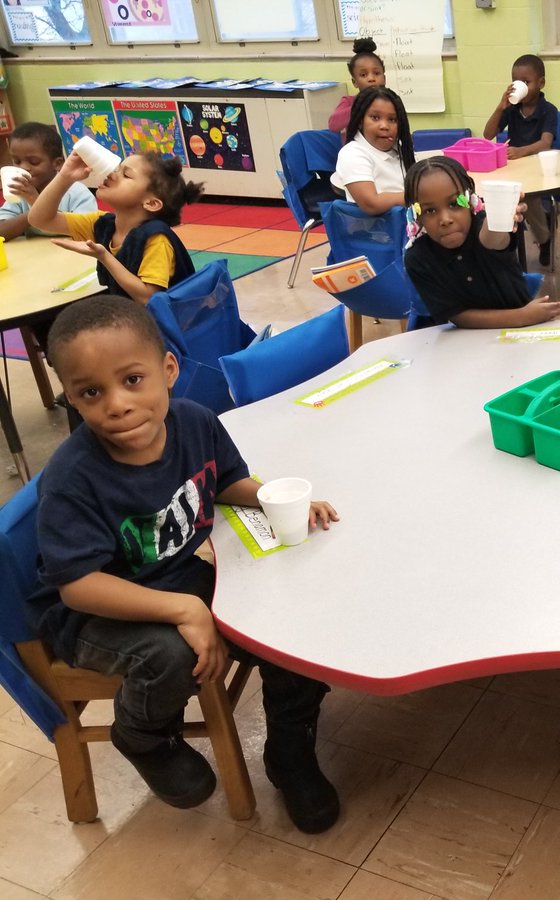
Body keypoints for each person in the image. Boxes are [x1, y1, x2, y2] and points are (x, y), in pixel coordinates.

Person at [28, 295, 342, 834]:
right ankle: (142, 735)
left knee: (288, 628)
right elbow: (78, 588)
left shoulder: (195, 423)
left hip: (176, 582)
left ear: (167, 370)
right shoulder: (72, 479)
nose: (117, 405)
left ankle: (290, 754)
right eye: (90, 392)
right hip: (99, 615)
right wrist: (186, 610)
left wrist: (274, 499)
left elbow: (224, 483)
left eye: (132, 380)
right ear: (72, 400)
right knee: (170, 654)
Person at [403, 156, 560, 328]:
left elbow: (492, 237)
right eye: (430, 210)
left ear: (470, 200)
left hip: (522, 334)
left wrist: (502, 214)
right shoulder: (418, 258)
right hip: (470, 341)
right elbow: (458, 316)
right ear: (416, 216)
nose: (445, 219)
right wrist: (521, 317)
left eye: (454, 204)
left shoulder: (483, 225)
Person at [28, 150, 200, 305]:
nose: (111, 174)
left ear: (151, 203)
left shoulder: (156, 239)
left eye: (126, 175)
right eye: (118, 169)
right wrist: (65, 176)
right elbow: (40, 219)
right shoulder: (102, 223)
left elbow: (149, 299)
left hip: (161, 333)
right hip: (129, 319)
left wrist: (104, 256)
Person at [483, 53, 559, 267]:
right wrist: (501, 107)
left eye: (526, 82)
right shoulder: (513, 109)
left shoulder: (548, 110)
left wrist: (521, 151)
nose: (521, 86)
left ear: (541, 83)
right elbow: (488, 135)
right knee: (502, 195)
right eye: (517, 82)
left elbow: (545, 143)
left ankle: (544, 240)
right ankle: (506, 245)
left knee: (528, 197)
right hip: (514, 168)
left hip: (538, 168)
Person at [0, 121, 97, 240]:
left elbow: (89, 232)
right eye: (17, 161)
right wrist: (31, 214)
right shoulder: (20, 192)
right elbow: (2, 231)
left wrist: (35, 203)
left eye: (34, 162)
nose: (23, 167)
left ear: (58, 163)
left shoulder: (77, 193)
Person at [332, 85, 415, 215]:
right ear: (360, 121)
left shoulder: (398, 150)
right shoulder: (352, 153)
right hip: (378, 231)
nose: (384, 126)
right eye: (375, 118)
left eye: (392, 120)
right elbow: (371, 204)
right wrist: (419, 197)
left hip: (407, 225)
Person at [328, 37, 386, 136]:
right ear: (355, 82)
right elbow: (333, 125)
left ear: (384, 78)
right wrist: (362, 105)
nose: (371, 78)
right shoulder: (349, 101)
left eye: (376, 73)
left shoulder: (389, 102)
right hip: (356, 150)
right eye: (363, 75)